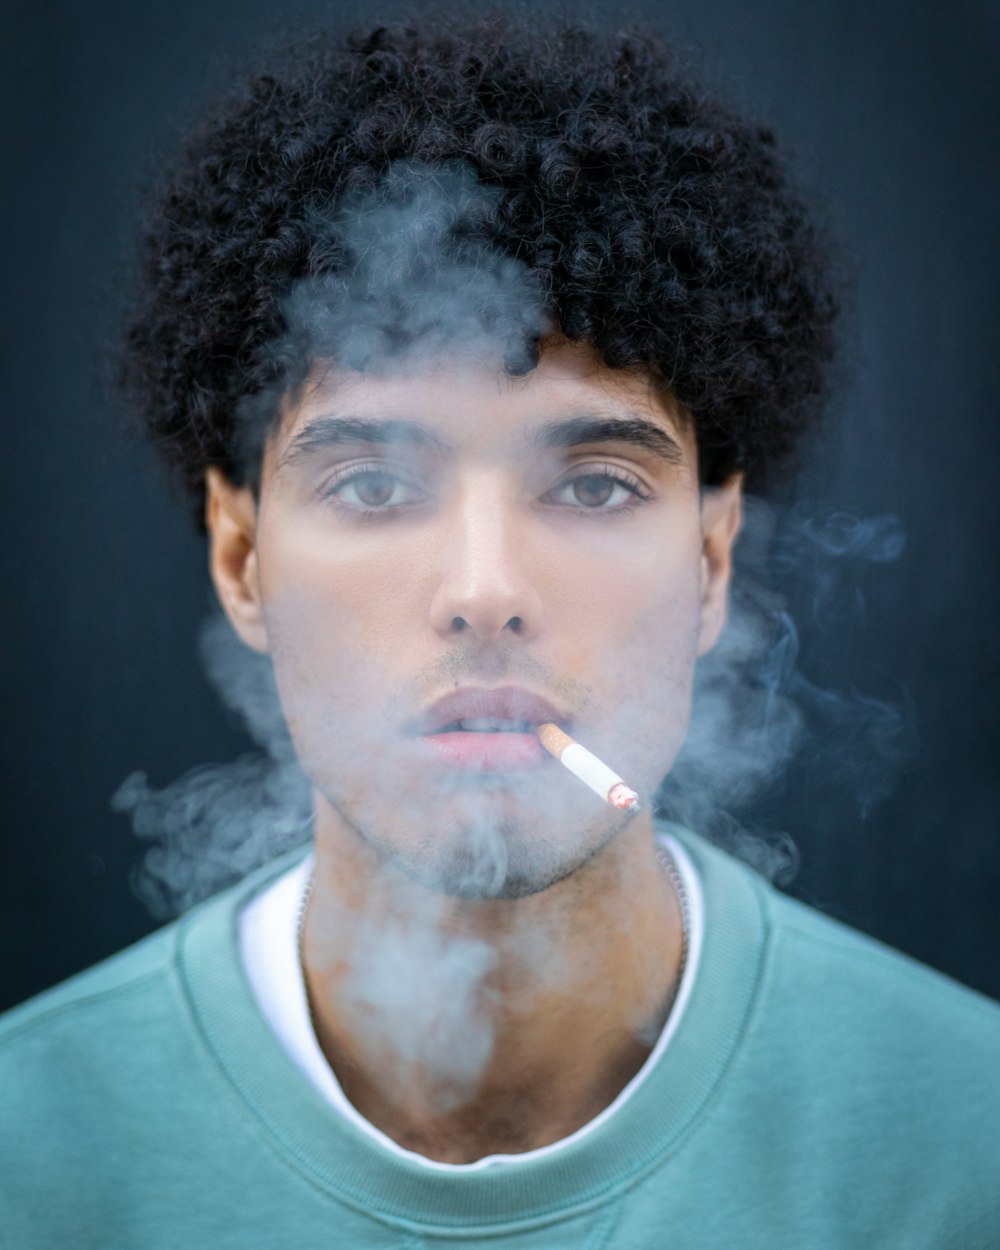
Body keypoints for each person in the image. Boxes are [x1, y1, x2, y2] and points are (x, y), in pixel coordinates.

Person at [2, 14, 998, 1247]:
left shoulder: (966, 1147)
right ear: (242, 555)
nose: (482, 588)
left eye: (592, 483)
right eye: (372, 483)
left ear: (709, 556)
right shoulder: (28, 1160)